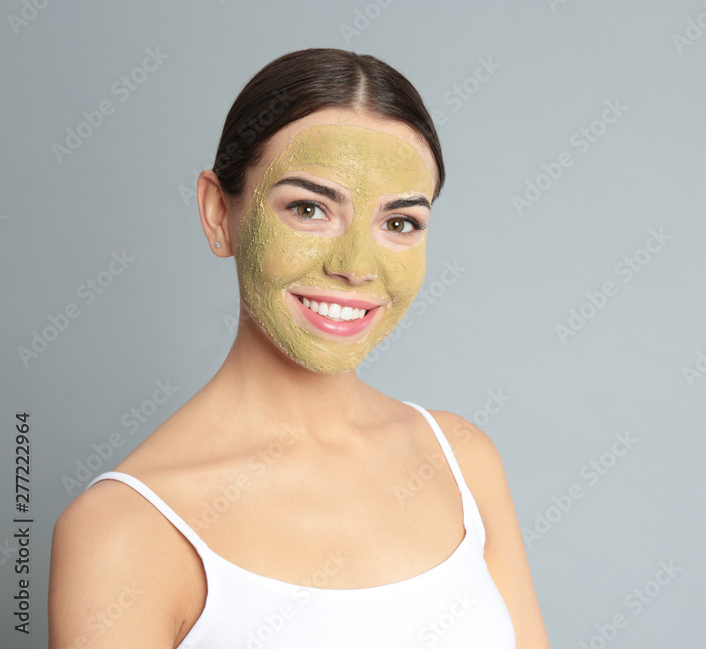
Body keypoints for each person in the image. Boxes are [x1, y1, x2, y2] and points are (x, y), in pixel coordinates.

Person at [48, 48, 551, 648]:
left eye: (399, 223)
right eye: (309, 209)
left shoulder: (464, 461)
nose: (356, 268)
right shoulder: (125, 529)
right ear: (218, 213)